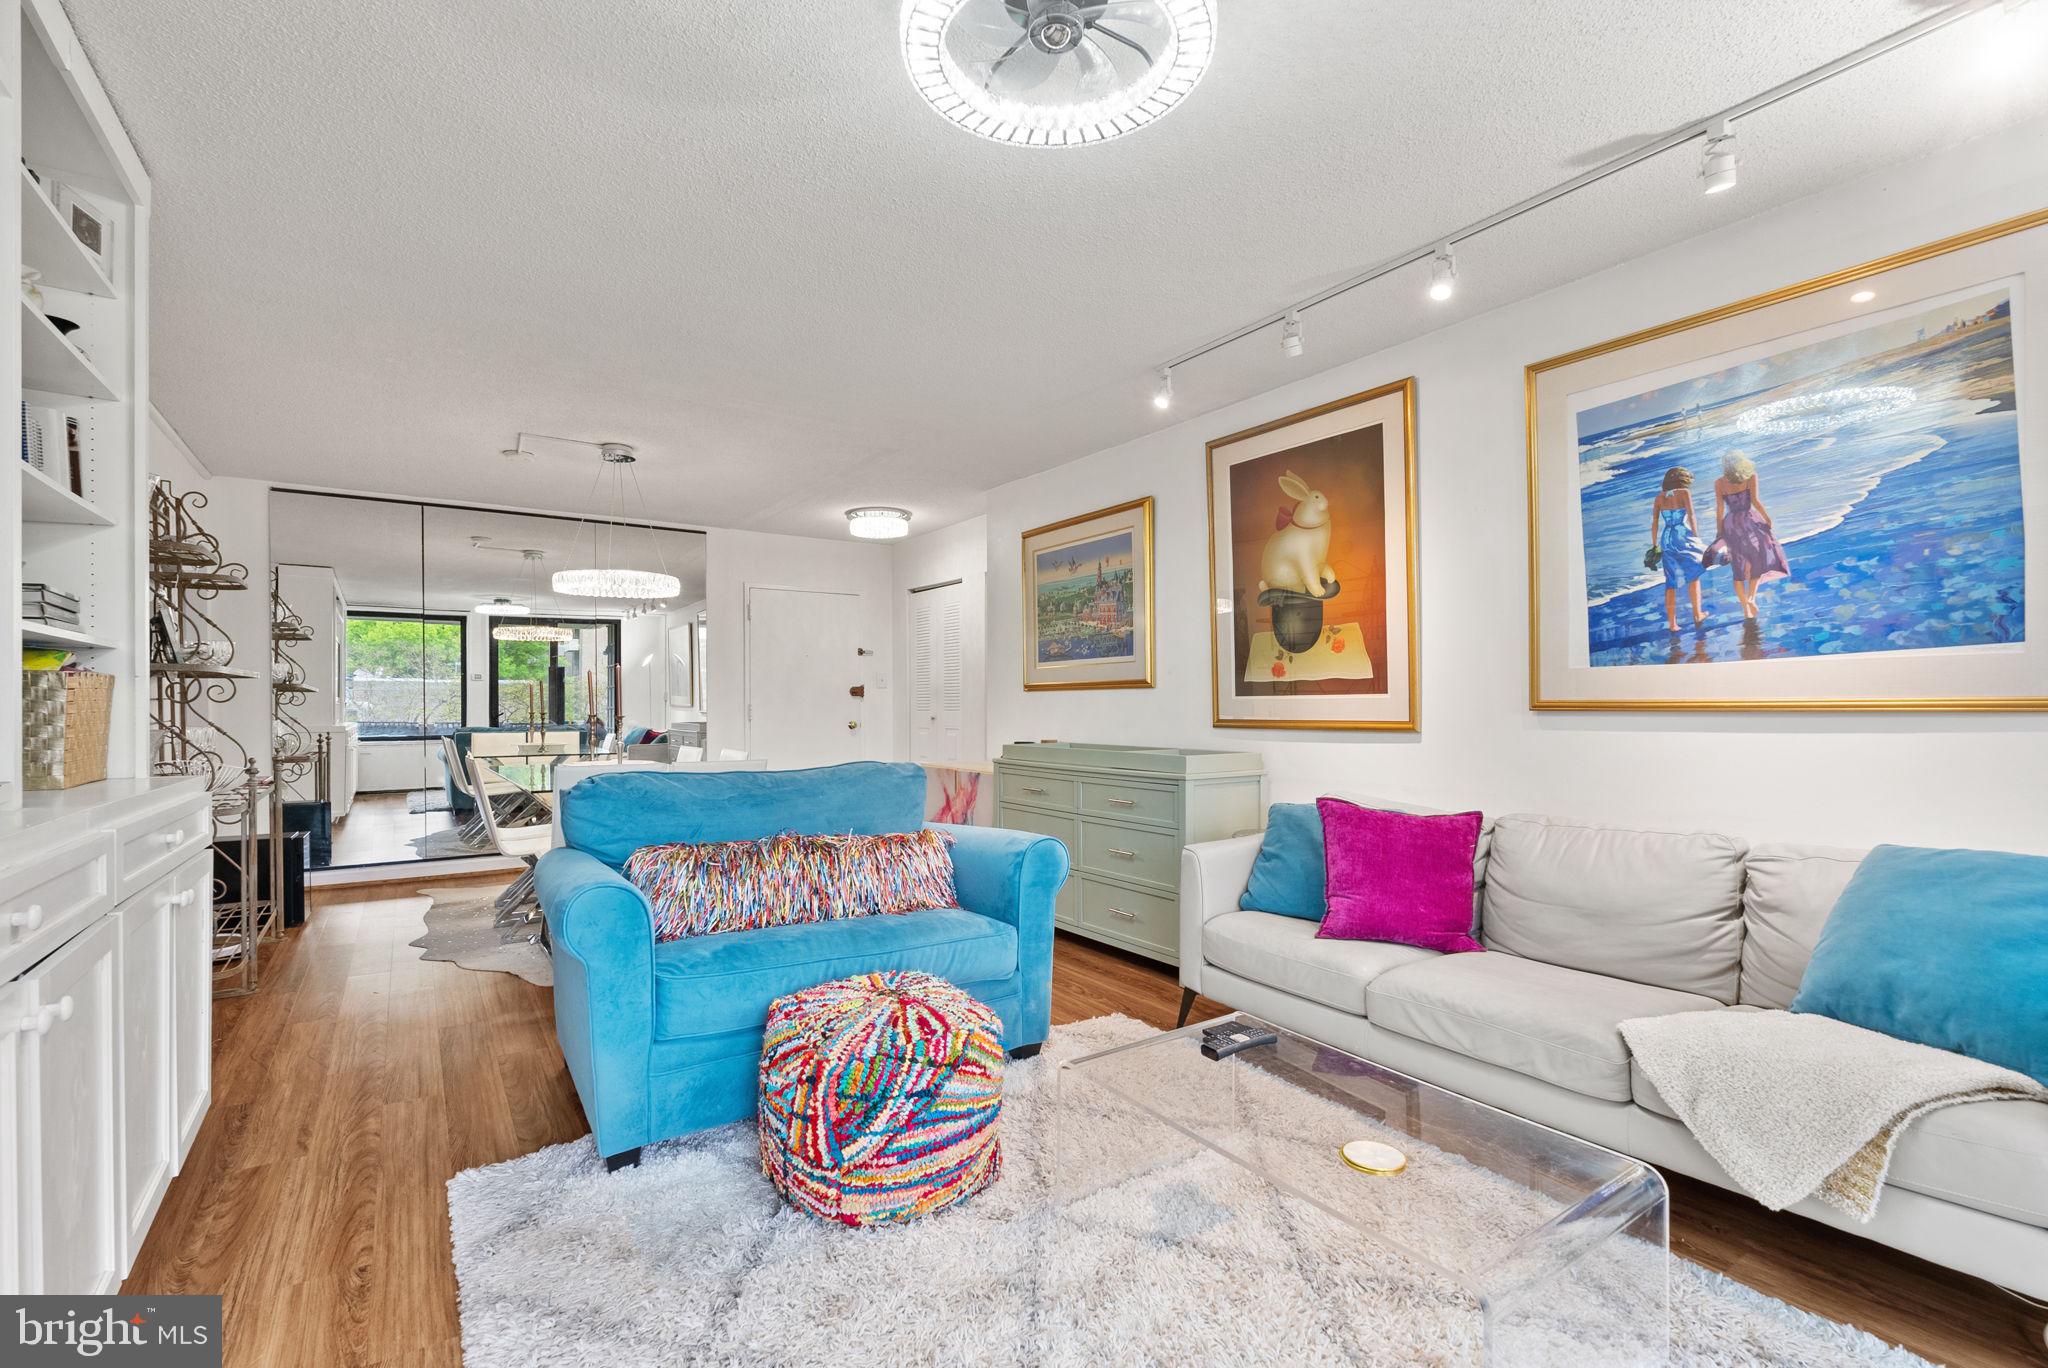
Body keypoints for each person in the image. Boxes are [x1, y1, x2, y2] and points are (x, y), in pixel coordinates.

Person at [1705, 451, 1789, 619]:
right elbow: (1755, 501)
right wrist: (1767, 518)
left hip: (1731, 524)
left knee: (1738, 567)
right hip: (1750, 520)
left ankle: (1745, 609)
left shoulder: (1719, 483)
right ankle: (1751, 598)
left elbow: (1720, 510)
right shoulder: (1750, 476)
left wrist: (1719, 532)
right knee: (1756, 559)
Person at [1650, 467, 1709, 632]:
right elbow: (1692, 516)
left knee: (1670, 582)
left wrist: (1654, 544)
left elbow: (1655, 522)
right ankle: (1697, 614)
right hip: (1682, 536)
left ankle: (1672, 624)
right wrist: (1696, 536)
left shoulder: (1659, 497)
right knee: (1694, 574)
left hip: (1666, 538)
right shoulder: (1684, 493)